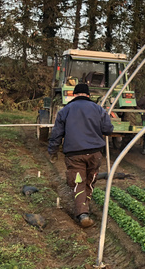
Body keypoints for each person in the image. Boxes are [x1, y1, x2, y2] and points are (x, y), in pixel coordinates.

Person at [47, 83, 114, 228]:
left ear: (74, 94)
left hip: (74, 154)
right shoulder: (99, 109)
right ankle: (84, 210)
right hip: (95, 153)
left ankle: (82, 213)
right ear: (88, 95)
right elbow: (108, 130)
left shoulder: (65, 110)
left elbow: (56, 133)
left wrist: (53, 150)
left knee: (78, 182)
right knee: (89, 181)